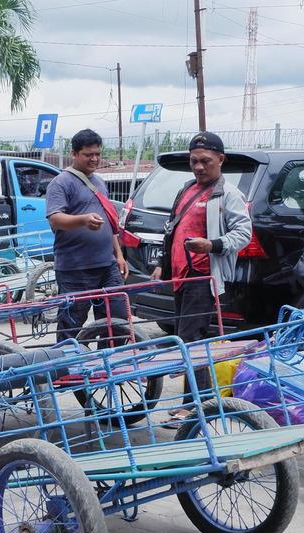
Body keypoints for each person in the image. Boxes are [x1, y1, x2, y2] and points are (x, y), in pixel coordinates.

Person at [151, 130, 252, 367]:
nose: (198, 167)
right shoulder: (186, 189)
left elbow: (244, 234)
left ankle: (193, 402)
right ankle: (199, 399)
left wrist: (212, 245)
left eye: (205, 161)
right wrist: (160, 265)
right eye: (194, 161)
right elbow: (171, 230)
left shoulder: (229, 194)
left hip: (203, 278)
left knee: (190, 342)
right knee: (188, 341)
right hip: (180, 277)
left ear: (220, 160)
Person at [45, 129, 128, 343]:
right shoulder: (61, 182)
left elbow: (110, 223)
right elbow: (55, 218)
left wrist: (118, 255)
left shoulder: (100, 182)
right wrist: (82, 220)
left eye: (98, 154)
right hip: (75, 269)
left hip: (107, 266)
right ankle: (68, 372)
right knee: (71, 327)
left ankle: (110, 368)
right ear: (74, 154)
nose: (94, 159)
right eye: (88, 154)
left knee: (117, 321)